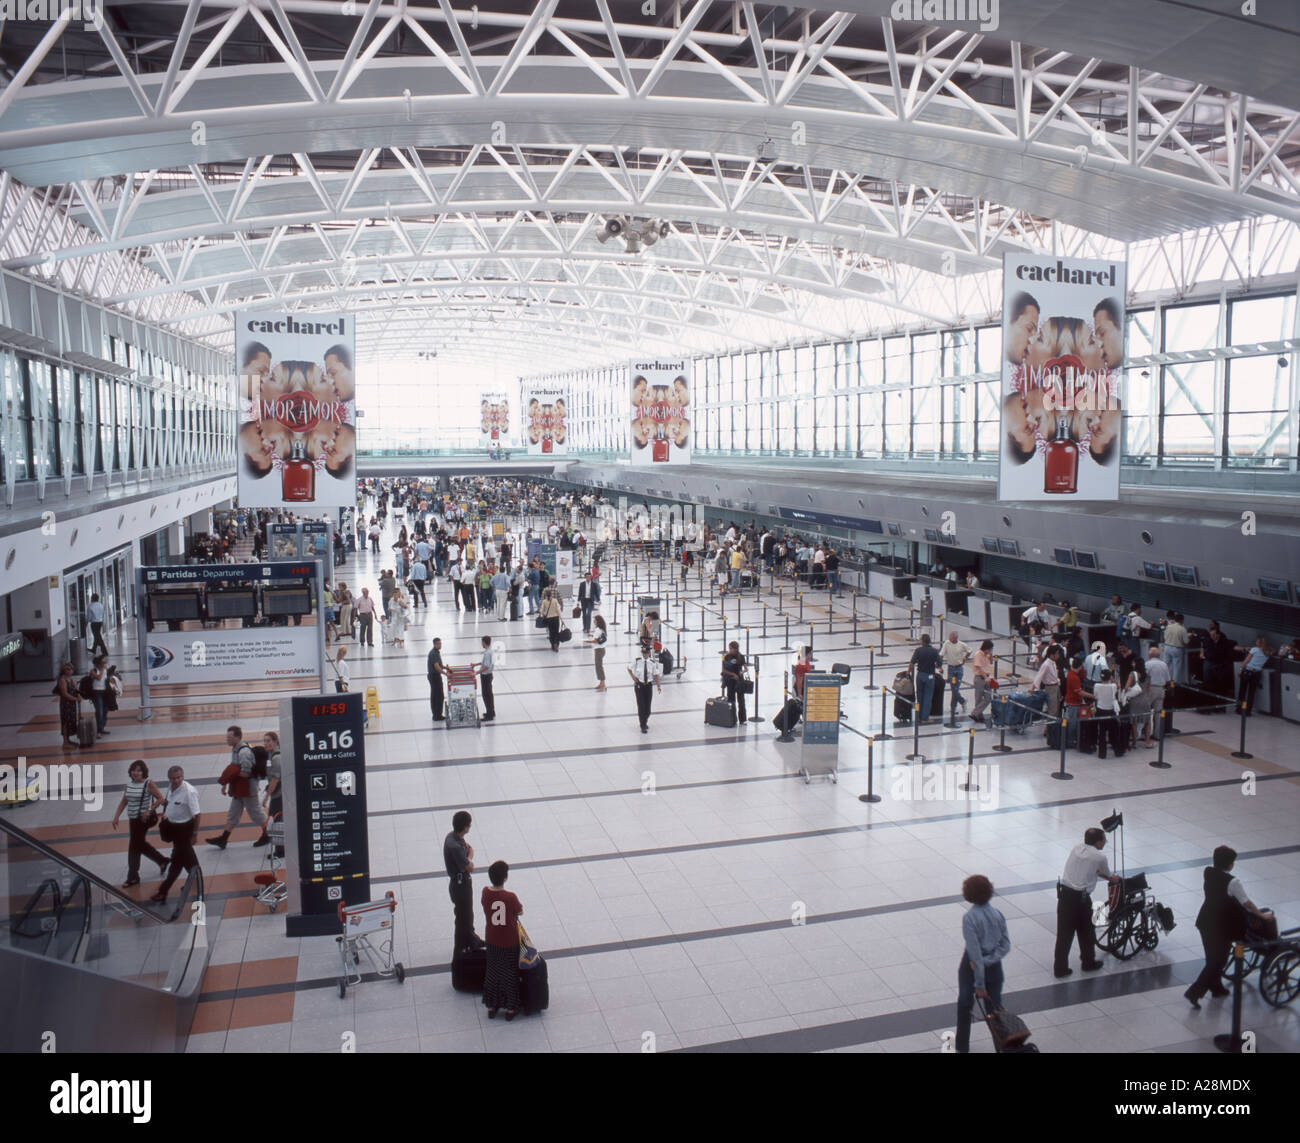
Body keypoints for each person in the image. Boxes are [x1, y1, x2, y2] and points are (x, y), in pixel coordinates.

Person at [1185, 845, 1272, 1009]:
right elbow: (1246, 903)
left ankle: (1217, 988)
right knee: (1219, 960)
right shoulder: (1233, 882)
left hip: (1205, 921)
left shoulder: (1208, 872)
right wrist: (1262, 915)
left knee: (1212, 957)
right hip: (1222, 926)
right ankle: (1194, 992)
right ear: (1230, 864)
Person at [954, 874, 1011, 1055]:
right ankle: (1001, 1047)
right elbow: (1005, 945)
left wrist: (979, 983)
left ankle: (962, 1046)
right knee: (995, 1011)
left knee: (964, 1005)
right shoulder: (998, 914)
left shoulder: (969, 918)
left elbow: (974, 954)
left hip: (971, 967)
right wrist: (990, 960)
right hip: (995, 966)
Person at [1053, 828, 1118, 977]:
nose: (1105, 843)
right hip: (1080, 900)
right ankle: (1088, 962)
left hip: (1064, 896)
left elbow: (1091, 868)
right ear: (1098, 842)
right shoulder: (1099, 857)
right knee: (1086, 932)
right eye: (1104, 840)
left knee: (1064, 935)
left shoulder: (1077, 848)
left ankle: (1060, 968)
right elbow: (1108, 875)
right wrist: (1115, 879)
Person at [205, 725, 268, 849]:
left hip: (248, 788)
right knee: (233, 813)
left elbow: (246, 772)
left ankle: (269, 833)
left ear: (238, 737)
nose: (227, 739)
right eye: (227, 737)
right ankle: (223, 839)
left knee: (256, 813)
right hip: (239, 788)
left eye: (230, 737)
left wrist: (229, 776)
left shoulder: (244, 752)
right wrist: (226, 782)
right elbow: (234, 767)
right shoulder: (235, 749)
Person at [112, 760, 169, 888]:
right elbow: (124, 801)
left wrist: (149, 810)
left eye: (138, 770)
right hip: (133, 819)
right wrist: (116, 816)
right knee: (138, 844)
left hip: (143, 820)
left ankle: (133, 876)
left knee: (134, 846)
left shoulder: (148, 784)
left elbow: (160, 798)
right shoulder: (129, 785)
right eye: (133, 770)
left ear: (143, 772)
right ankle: (162, 860)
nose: (135, 773)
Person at [150, 766, 201, 906]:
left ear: (182, 777)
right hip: (174, 827)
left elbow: (197, 815)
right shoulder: (171, 787)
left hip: (184, 829)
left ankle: (163, 891)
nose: (176, 780)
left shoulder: (189, 792)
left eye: (179, 777)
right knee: (189, 859)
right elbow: (169, 801)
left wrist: (195, 834)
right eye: (173, 778)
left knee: (176, 862)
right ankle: (196, 881)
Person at [482, 860, 524, 1020]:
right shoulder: (510, 897)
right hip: (509, 940)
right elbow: (520, 911)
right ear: (505, 878)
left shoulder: (485, 892)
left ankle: (492, 1005)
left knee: (492, 971)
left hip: (492, 938)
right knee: (509, 973)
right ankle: (511, 1008)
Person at [444, 811, 485, 956]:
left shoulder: (453, 837)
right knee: (462, 917)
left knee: (467, 915)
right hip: (460, 885)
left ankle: (472, 940)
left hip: (462, 882)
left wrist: (467, 858)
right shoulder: (454, 846)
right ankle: (460, 948)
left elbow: (470, 849)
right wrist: (469, 859)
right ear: (466, 827)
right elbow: (470, 866)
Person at [255, 730, 283, 849]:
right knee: (276, 820)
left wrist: (266, 798)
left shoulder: (276, 758)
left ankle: (280, 849)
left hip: (279, 794)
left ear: (275, 742)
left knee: (276, 820)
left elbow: (275, 780)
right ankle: (279, 847)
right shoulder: (270, 756)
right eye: (265, 741)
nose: (266, 743)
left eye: (269, 741)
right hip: (276, 794)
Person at [627, 642, 662, 733]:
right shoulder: (637, 661)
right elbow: (629, 668)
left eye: (646, 653)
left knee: (648, 708)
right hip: (639, 685)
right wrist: (634, 678)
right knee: (641, 705)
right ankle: (643, 725)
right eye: (643, 653)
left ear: (649, 653)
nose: (645, 655)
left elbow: (656, 674)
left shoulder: (652, 663)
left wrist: (658, 685)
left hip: (648, 686)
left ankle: (644, 720)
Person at [1092, 669, 1125, 759]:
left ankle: (1102, 754)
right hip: (1110, 710)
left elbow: (1096, 696)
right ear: (1109, 677)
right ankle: (1117, 751)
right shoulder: (1113, 686)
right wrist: (1112, 678)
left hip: (1100, 710)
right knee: (1114, 732)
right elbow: (1117, 687)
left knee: (1102, 733)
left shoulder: (1096, 685)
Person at [909, 634, 941, 725]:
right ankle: (925, 718)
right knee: (928, 697)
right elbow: (939, 663)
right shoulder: (934, 651)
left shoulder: (918, 650)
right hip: (930, 676)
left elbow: (912, 663)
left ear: (922, 641)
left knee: (919, 695)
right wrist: (938, 667)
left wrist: (908, 672)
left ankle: (918, 716)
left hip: (920, 675)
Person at [1237, 637, 1272, 715]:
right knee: (1251, 693)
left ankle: (1239, 709)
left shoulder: (1254, 649)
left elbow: (1247, 660)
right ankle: (1248, 711)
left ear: (1259, 643)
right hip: (1257, 673)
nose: (1255, 642)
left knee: (1242, 691)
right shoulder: (1268, 652)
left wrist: (1241, 669)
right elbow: (1273, 650)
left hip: (1248, 671)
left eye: (1256, 641)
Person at [1143, 647, 1171, 745]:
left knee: (1146, 711)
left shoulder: (1147, 664)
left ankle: (1145, 733)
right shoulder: (1164, 664)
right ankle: (1157, 734)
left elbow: (1144, 678)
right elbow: (1168, 679)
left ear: (1150, 655)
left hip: (1150, 689)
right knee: (1158, 713)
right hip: (1161, 689)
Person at [940, 631, 970, 718]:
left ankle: (954, 707)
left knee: (956, 688)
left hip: (959, 668)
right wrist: (939, 665)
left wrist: (965, 658)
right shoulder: (947, 643)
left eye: (952, 637)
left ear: (956, 638)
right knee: (954, 688)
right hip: (951, 669)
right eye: (949, 637)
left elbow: (969, 650)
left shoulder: (961, 644)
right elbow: (941, 654)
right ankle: (962, 701)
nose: (950, 638)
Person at [721, 640, 748, 725]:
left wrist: (741, 672)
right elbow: (724, 670)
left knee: (741, 700)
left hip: (739, 680)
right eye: (729, 648)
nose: (729, 650)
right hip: (730, 681)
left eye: (731, 648)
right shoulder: (726, 657)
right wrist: (733, 674)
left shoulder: (741, 657)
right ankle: (732, 718)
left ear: (735, 649)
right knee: (731, 700)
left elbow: (745, 668)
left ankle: (742, 719)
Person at [55, 661, 80, 748]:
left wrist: (79, 694)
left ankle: (68, 740)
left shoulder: (70, 679)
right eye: (68, 669)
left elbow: (76, 689)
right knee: (66, 722)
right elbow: (64, 694)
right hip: (66, 704)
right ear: (64, 670)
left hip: (72, 704)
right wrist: (75, 699)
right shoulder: (62, 680)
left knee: (71, 721)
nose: (70, 671)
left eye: (71, 669)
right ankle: (65, 742)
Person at [970, 640, 994, 725]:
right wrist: (985, 677)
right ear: (986, 648)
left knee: (988, 698)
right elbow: (979, 667)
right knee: (978, 698)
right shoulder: (978, 655)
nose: (991, 650)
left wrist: (990, 655)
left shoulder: (987, 655)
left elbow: (991, 663)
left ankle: (975, 713)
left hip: (986, 678)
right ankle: (978, 716)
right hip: (980, 678)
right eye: (990, 649)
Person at [87, 656, 110, 737]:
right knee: (99, 711)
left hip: (104, 692)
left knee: (105, 710)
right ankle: (98, 730)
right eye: (103, 663)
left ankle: (102, 727)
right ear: (98, 664)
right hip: (96, 692)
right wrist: (103, 669)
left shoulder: (105, 670)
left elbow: (107, 679)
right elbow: (99, 678)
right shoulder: (93, 671)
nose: (104, 664)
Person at [476, 636, 497, 722]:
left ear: (484, 642)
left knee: (486, 695)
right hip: (489, 675)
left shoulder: (487, 653)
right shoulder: (490, 651)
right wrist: (476, 664)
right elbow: (485, 662)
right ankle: (491, 712)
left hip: (486, 676)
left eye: (482, 642)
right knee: (489, 694)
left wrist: (477, 672)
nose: (481, 644)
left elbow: (486, 666)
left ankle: (489, 715)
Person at [588, 614, 609, 691]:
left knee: (599, 667)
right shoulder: (601, 629)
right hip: (602, 649)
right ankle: (601, 683)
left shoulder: (598, 629)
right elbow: (598, 637)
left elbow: (595, 640)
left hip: (598, 650)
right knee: (599, 666)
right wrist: (592, 635)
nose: (594, 622)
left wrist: (587, 641)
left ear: (598, 621)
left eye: (595, 620)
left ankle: (603, 684)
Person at [539, 586, 563, 652]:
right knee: (556, 632)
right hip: (556, 618)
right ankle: (556, 644)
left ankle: (552, 645)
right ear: (551, 594)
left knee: (551, 633)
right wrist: (561, 619)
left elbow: (541, 610)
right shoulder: (555, 601)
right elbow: (558, 610)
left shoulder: (544, 601)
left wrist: (544, 613)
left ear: (546, 595)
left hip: (549, 619)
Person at [428, 637, 446, 720]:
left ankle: (437, 714)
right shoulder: (433, 653)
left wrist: (446, 668)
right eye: (438, 644)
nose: (440, 645)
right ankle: (437, 715)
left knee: (436, 695)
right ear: (435, 644)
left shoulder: (436, 652)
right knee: (438, 696)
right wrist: (445, 674)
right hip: (434, 677)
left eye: (440, 643)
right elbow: (437, 667)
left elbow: (440, 665)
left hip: (435, 676)